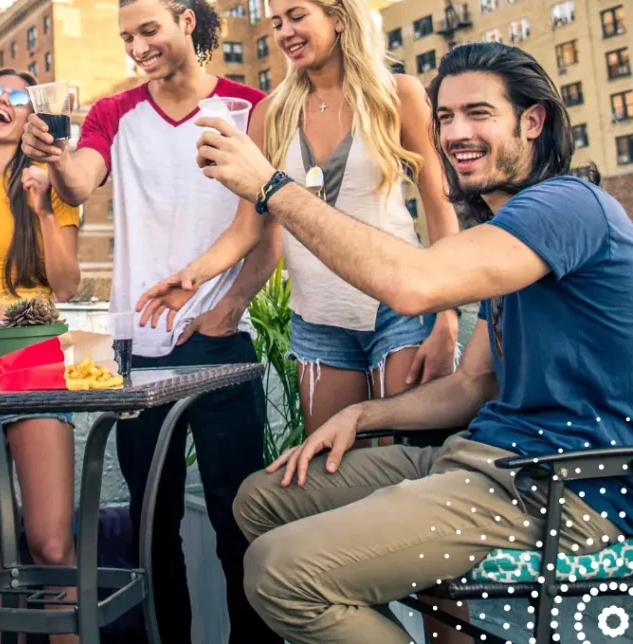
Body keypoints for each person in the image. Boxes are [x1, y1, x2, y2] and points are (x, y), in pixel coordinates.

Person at [179, 41, 633, 644]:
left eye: (479, 113)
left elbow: (412, 285)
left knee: (279, 573)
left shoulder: (567, 206)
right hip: (483, 456)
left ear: (533, 121)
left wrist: (272, 186)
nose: (454, 133)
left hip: (560, 486)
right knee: (262, 499)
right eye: (444, 117)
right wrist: (364, 414)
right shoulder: (509, 232)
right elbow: (473, 384)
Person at [22, 0, 282, 644]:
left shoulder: (253, 108)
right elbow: (82, 181)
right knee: (151, 524)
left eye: (149, 30)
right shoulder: (115, 113)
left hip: (223, 343)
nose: (137, 47)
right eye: (127, 37)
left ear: (187, 21)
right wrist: (54, 155)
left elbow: (272, 227)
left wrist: (227, 311)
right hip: (138, 349)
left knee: (240, 520)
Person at [139, 0, 459, 437]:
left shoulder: (398, 95)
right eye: (276, 22)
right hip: (317, 318)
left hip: (401, 308)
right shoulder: (271, 114)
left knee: (404, 465)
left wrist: (448, 316)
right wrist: (193, 277)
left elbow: (439, 206)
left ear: (339, 18)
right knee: (331, 474)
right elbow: (250, 227)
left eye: (296, 16)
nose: (285, 32)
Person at [0, 67, 81, 644]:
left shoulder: (51, 180)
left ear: (32, 117)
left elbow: (69, 284)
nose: (0, 102)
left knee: (50, 543)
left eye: (17, 97)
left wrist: (43, 209)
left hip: (33, 353)